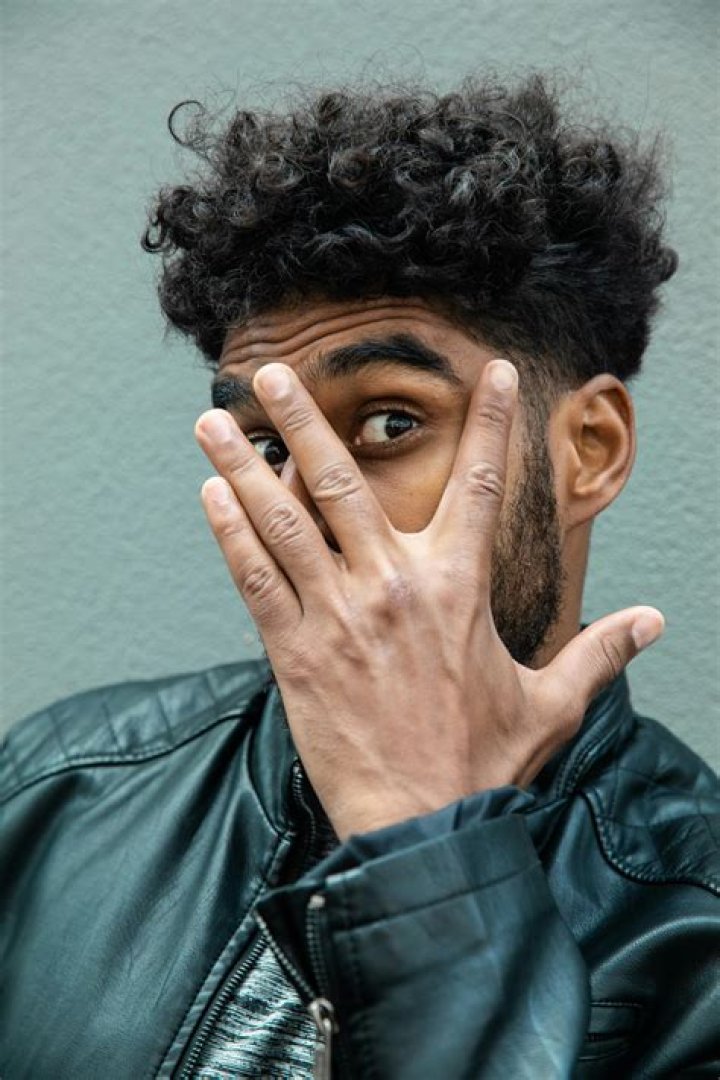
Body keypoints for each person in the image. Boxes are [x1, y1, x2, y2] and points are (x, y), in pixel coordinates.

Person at [2, 72, 718, 1079]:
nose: (298, 504)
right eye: (265, 444)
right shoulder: (57, 790)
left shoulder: (693, 937)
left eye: (390, 422)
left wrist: (425, 850)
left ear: (588, 450)